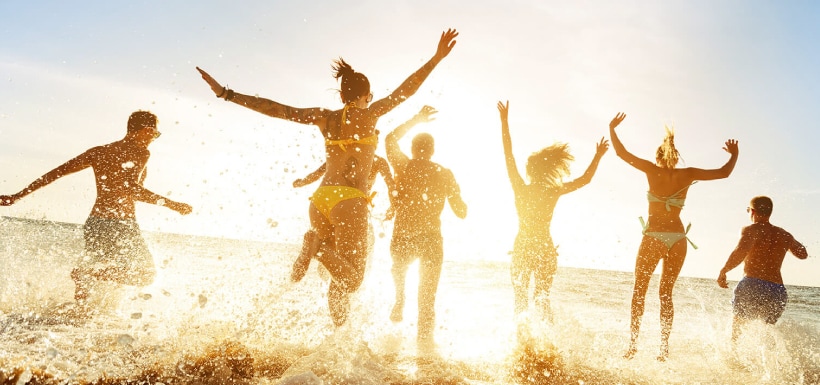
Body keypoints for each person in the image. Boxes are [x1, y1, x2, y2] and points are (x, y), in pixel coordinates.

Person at [196, 28, 459, 326]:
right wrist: (436, 58)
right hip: (349, 202)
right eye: (369, 96)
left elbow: (278, 110)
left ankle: (337, 339)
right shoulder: (371, 115)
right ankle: (316, 247)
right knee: (353, 280)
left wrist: (226, 94)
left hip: (320, 201)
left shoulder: (325, 117)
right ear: (364, 96)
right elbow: (406, 90)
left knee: (339, 275)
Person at [0, 111, 193, 317]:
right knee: (145, 275)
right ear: (146, 130)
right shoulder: (140, 152)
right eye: (155, 134)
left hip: (95, 223)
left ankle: (77, 321)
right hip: (121, 225)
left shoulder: (99, 152)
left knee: (92, 286)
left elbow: (57, 172)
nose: (153, 140)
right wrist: (172, 204)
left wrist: (18, 195)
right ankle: (84, 278)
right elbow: (130, 189)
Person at [609, 112, 739, 361]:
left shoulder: (650, 169)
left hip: (654, 236)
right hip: (678, 239)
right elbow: (724, 173)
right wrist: (734, 154)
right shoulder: (687, 173)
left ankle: (633, 346)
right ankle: (663, 349)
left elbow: (622, 153)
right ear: (676, 157)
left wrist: (612, 128)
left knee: (639, 290)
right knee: (665, 294)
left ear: (658, 156)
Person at [497, 101, 609, 321]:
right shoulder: (553, 192)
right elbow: (585, 180)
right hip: (545, 248)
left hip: (523, 247)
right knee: (542, 298)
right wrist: (598, 156)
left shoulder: (520, 188)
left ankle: (523, 346)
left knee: (520, 298)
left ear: (530, 170)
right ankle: (549, 347)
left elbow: (508, 154)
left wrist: (504, 122)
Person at [385, 105, 467, 345]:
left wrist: (417, 120)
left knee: (399, 269)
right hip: (431, 239)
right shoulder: (444, 173)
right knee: (427, 298)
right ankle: (425, 352)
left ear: (412, 149)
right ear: (432, 151)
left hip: (403, 234)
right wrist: (457, 197)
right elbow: (461, 212)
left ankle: (400, 297)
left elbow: (389, 139)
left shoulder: (404, 165)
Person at [717, 196, 808, 342]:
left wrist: (724, 270)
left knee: (737, 333)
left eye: (748, 210)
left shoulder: (751, 230)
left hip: (752, 284)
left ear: (752, 211)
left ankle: (734, 362)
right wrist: (786, 241)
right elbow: (803, 254)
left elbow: (740, 251)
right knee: (766, 336)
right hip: (777, 290)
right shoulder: (784, 234)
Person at [292, 153, 395, 279]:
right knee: (347, 263)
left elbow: (318, 173)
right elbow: (391, 184)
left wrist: (301, 182)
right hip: (350, 208)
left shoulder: (340, 156)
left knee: (327, 250)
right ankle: (334, 285)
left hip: (322, 201)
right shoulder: (377, 161)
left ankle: (296, 278)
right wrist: (393, 206)